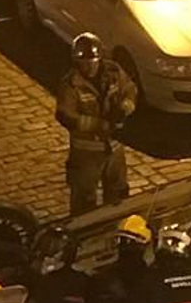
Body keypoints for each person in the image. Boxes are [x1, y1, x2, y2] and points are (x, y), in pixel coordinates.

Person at [55, 31, 136, 213]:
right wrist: (98, 125)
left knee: (118, 196)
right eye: (83, 64)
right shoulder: (71, 84)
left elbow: (130, 90)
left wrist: (124, 107)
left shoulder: (113, 72)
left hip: (114, 149)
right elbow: (66, 115)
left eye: (92, 63)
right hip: (86, 154)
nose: (88, 68)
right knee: (84, 200)